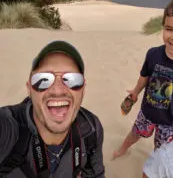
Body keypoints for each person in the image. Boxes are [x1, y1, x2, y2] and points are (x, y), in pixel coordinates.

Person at [113, 0, 173, 159]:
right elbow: (145, 77)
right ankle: (123, 149)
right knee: (134, 134)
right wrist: (135, 92)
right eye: (169, 29)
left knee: (162, 151)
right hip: (147, 113)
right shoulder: (153, 54)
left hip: (170, 122)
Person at [0, 41, 105, 178]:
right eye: (43, 79)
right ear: (29, 88)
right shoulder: (7, 129)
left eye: (72, 79)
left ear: (83, 89)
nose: (58, 90)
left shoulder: (91, 129)